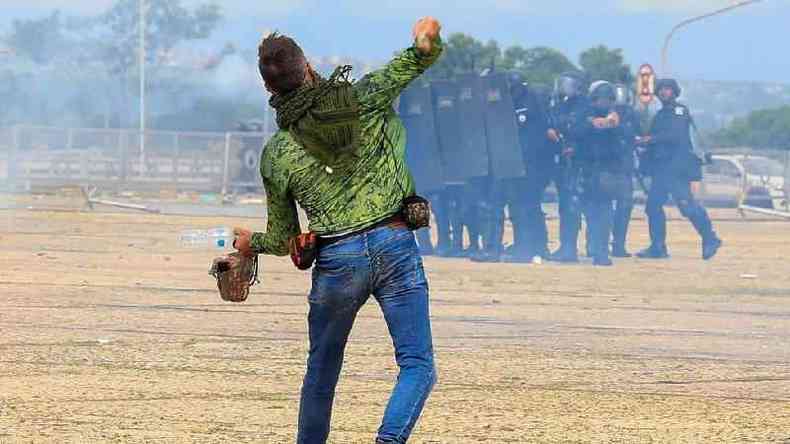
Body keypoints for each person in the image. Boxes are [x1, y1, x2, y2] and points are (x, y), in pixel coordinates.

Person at [233, 17, 443, 443]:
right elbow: (414, 60)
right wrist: (426, 41)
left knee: (322, 371)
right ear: (308, 67)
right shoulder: (362, 97)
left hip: (337, 260)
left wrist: (247, 243)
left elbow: (281, 239)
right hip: (395, 243)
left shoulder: (277, 154)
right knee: (417, 364)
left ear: (271, 90)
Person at [636, 78, 723, 260]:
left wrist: (650, 139)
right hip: (662, 170)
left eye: (667, 89)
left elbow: (673, 136)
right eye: (660, 90)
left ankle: (710, 238)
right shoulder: (661, 114)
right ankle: (658, 247)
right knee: (653, 207)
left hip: (677, 169)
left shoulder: (679, 111)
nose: (663, 93)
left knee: (687, 206)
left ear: (674, 92)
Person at [576, 81, 628, 266]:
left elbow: (627, 138)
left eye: (607, 99)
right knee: (589, 212)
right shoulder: (584, 114)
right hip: (586, 170)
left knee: (604, 212)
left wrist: (613, 125)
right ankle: (593, 247)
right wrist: (591, 123)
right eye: (600, 99)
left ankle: (601, 252)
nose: (603, 103)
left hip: (607, 171)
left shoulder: (618, 118)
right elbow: (575, 131)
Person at [547, 71, 588, 263]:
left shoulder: (583, 105)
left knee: (572, 205)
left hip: (577, 162)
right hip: (562, 161)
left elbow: (580, 129)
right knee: (564, 205)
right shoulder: (560, 105)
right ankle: (565, 245)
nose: (563, 87)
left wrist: (573, 146)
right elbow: (553, 121)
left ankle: (571, 248)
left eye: (566, 83)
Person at [611, 83, 639, 257]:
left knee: (625, 205)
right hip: (606, 165)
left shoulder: (631, 114)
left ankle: (618, 244)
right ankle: (596, 243)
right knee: (601, 206)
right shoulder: (602, 112)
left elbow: (637, 134)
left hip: (624, 166)